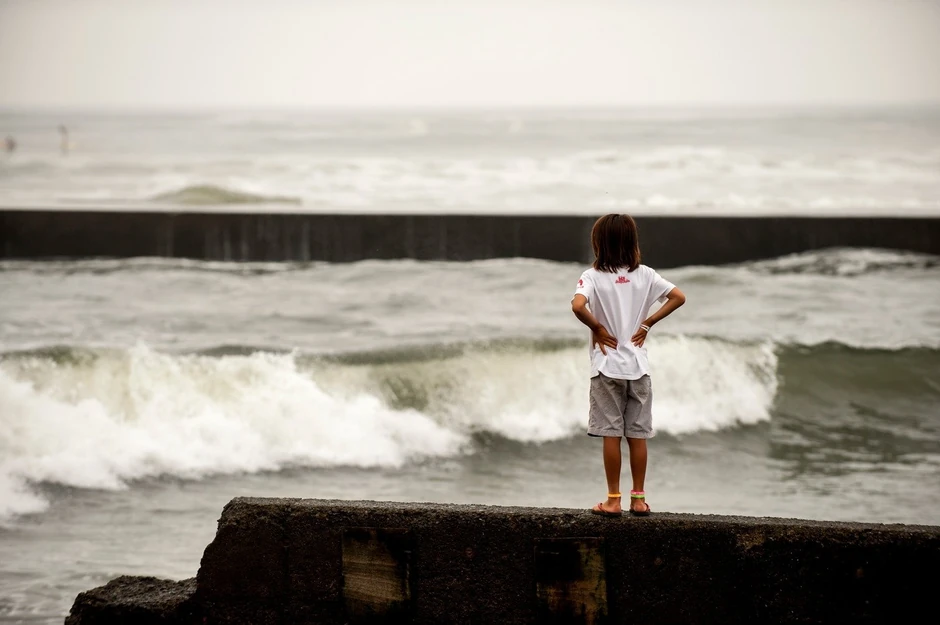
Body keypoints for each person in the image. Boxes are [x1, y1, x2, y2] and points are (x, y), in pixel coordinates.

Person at [571, 214, 686, 517]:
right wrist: (648, 323)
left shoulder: (592, 276)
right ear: (633, 242)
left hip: (606, 366)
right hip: (638, 366)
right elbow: (678, 297)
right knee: (637, 435)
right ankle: (639, 499)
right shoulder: (645, 275)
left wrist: (597, 328)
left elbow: (578, 306)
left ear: (598, 243)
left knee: (611, 434)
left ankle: (613, 500)